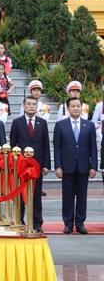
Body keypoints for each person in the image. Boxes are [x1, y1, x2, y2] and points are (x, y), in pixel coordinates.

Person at [54, 97, 98, 234]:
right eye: (73, 106)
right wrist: (58, 166)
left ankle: (80, 223)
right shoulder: (60, 125)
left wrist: (93, 166)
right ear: (68, 108)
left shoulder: (89, 125)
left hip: (84, 167)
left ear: (81, 107)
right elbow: (57, 148)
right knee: (67, 196)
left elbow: (93, 148)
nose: (76, 108)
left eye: (78, 106)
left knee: (82, 197)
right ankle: (68, 224)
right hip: (67, 167)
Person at [10, 96, 50, 233]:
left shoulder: (42, 123)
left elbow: (46, 145)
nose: (31, 106)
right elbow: (12, 145)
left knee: (36, 195)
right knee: (20, 194)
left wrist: (46, 165)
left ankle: (37, 222)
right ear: (24, 106)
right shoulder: (17, 123)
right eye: (29, 104)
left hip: (36, 166)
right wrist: (13, 164)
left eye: (34, 104)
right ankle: (19, 219)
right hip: (21, 166)